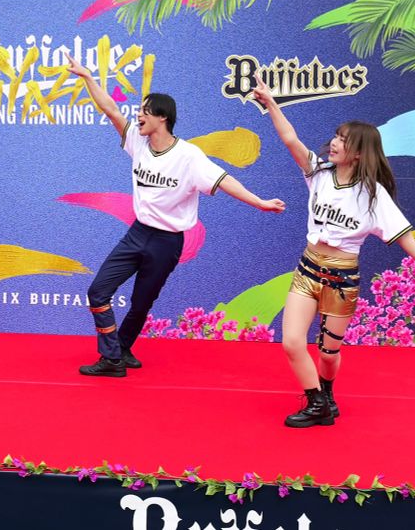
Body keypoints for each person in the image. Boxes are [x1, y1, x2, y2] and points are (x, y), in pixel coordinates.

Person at [66, 54, 285, 378]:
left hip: (167, 243)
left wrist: (260, 203)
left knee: (141, 303)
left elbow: (225, 180)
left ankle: (121, 350)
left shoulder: (189, 156)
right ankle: (112, 356)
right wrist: (87, 77)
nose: (138, 115)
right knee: (98, 291)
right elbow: (110, 109)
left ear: (162, 117)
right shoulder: (138, 142)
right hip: (137, 234)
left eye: (145, 111)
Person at [251, 74, 415, 427]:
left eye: (343, 141)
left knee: (329, 353)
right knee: (292, 342)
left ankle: (326, 392)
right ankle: (318, 404)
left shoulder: (373, 193)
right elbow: (290, 139)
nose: (334, 143)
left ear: (359, 153)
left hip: (342, 279)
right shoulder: (318, 172)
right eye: (336, 136)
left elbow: (401, 232)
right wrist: (271, 103)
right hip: (308, 268)